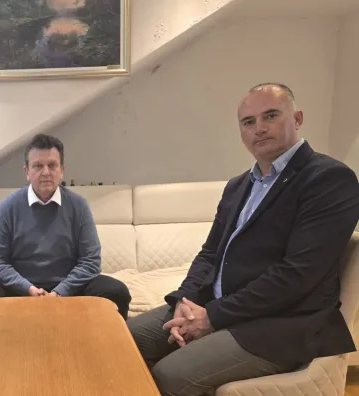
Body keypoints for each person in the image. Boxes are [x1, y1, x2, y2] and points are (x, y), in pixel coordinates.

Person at [127, 83, 359, 396]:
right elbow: (210, 253)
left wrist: (212, 317)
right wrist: (186, 300)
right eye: (248, 122)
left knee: (170, 374)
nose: (259, 128)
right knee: (123, 340)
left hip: (280, 323)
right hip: (218, 305)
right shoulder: (238, 186)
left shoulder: (328, 179)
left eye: (270, 116)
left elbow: (297, 275)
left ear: (297, 119)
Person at [0, 134, 132, 319]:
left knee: (117, 292)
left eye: (52, 165)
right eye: (37, 166)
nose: (46, 172)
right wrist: (28, 289)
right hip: (19, 288)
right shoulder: (8, 207)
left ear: (62, 170)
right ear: (27, 171)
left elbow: (91, 261)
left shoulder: (78, 206)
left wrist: (59, 292)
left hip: (70, 289)